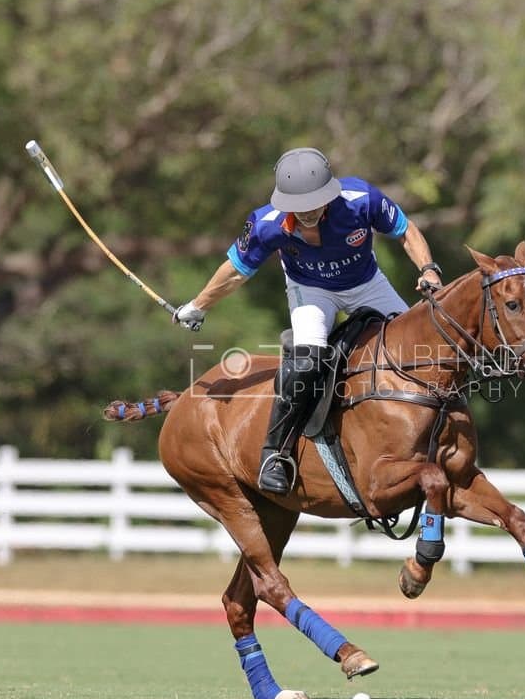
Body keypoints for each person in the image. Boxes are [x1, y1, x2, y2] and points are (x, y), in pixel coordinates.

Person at [173, 147, 443, 495]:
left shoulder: (361, 199)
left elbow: (405, 231)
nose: (307, 212)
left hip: (367, 284)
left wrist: (428, 269)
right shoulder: (266, 225)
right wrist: (198, 305)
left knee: (420, 349)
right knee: (306, 363)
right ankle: (276, 453)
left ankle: (440, 433)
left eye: (314, 203)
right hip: (311, 290)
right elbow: (236, 273)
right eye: (298, 206)